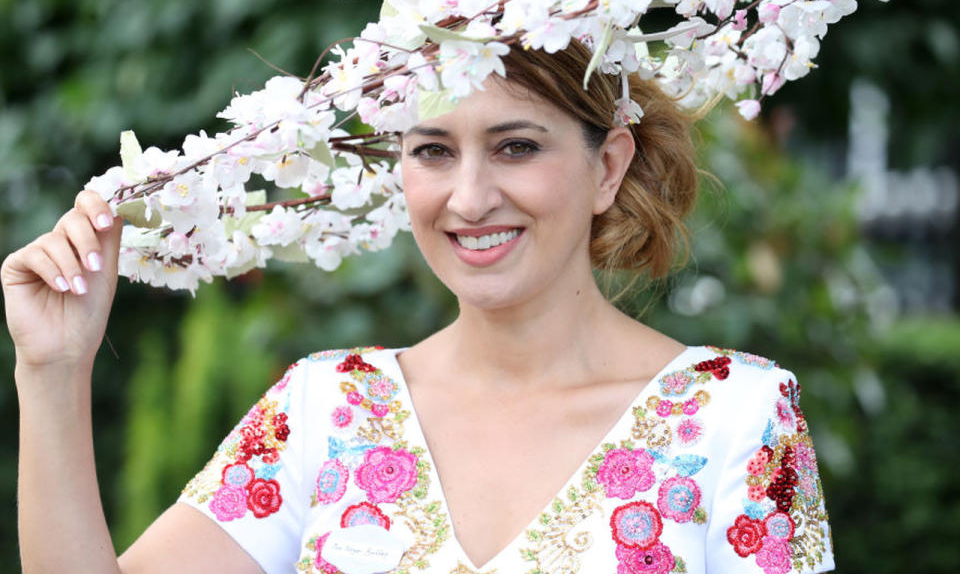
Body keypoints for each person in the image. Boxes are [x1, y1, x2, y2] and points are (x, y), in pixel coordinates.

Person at [3, 41, 835, 573]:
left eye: (516, 146)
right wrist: (53, 368)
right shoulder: (325, 409)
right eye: (433, 151)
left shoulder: (737, 416)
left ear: (608, 167)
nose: (470, 198)